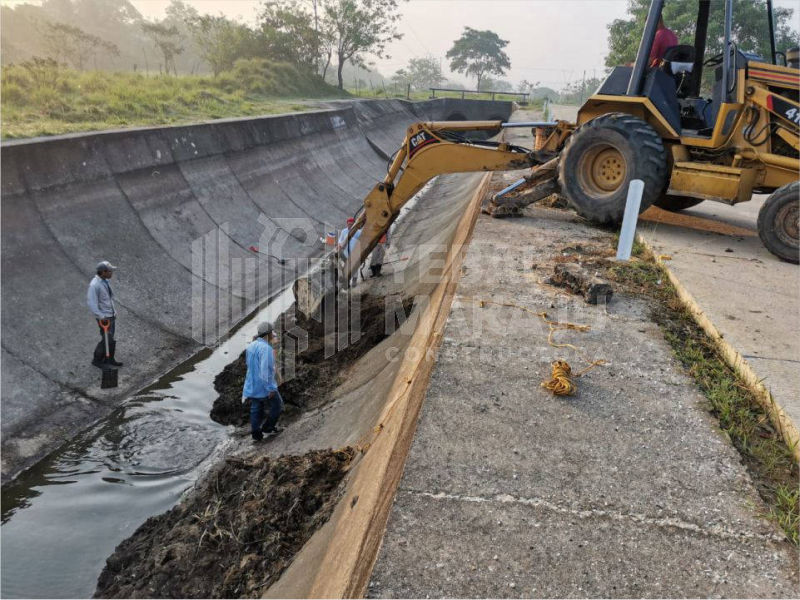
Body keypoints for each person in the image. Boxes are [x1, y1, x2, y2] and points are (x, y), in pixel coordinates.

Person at [243, 321, 283, 442]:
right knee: (277, 405)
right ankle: (268, 428)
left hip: (252, 384)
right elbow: (266, 370)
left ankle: (256, 434)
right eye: (272, 332)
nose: (274, 334)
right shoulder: (266, 349)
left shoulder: (251, 346)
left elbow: (249, 364)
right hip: (264, 386)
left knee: (256, 408)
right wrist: (270, 388)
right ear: (268, 334)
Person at [87, 260, 123, 368]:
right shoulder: (94, 285)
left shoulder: (104, 281)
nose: (111, 273)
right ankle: (97, 360)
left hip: (110, 315)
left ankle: (110, 359)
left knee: (110, 339)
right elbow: (91, 302)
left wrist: (114, 311)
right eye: (110, 271)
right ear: (103, 272)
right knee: (107, 339)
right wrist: (101, 317)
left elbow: (108, 298)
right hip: (104, 318)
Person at [338, 217, 361, 287]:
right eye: (349, 224)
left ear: (354, 224)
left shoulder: (358, 232)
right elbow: (340, 241)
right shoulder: (344, 231)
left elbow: (361, 241)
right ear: (347, 224)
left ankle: (354, 280)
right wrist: (340, 246)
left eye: (351, 224)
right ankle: (347, 282)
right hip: (345, 253)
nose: (350, 225)